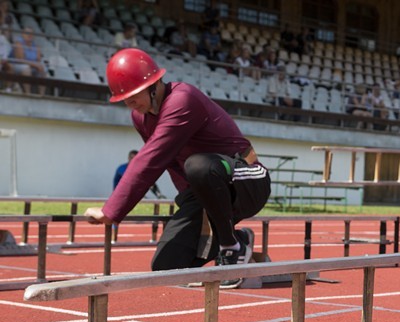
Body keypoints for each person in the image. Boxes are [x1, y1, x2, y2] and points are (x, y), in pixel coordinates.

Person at [84, 48, 271, 288]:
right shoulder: (140, 117)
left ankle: (230, 246)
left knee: (199, 165)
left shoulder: (183, 99)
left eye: (134, 95)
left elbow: (152, 159)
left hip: (248, 178)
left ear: (154, 84)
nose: (129, 103)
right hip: (207, 188)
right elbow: (170, 161)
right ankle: (239, 238)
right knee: (167, 267)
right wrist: (189, 202)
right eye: (124, 99)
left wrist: (111, 211)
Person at [11, 27, 47, 95]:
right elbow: (20, 60)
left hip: (31, 66)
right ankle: (28, 93)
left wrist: (39, 66)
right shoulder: (19, 43)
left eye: (31, 33)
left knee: (43, 70)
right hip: (16, 65)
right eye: (27, 33)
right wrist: (35, 65)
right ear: (22, 34)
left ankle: (42, 95)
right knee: (26, 69)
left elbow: (38, 60)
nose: (29, 35)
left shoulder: (36, 46)